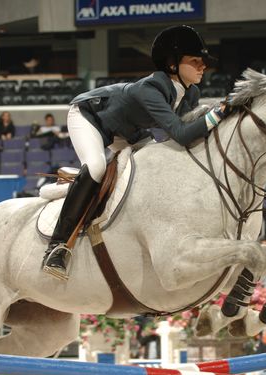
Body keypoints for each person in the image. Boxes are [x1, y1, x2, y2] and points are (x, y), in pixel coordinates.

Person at [42, 25, 231, 280]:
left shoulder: (191, 92)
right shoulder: (150, 89)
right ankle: (58, 246)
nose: (202, 66)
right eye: (195, 61)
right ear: (173, 65)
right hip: (90, 117)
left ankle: (73, 188)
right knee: (97, 167)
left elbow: (189, 135)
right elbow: (183, 133)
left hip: (128, 132)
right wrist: (219, 112)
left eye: (203, 62)